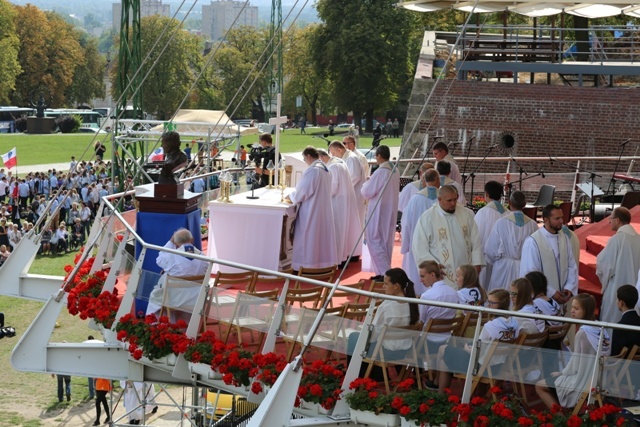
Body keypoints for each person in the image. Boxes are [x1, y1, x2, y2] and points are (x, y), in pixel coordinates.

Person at [535, 294, 611, 410]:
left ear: (585, 311)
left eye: (576, 309)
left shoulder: (583, 332)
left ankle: (560, 419)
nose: (572, 311)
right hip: (598, 380)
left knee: (539, 386)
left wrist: (562, 373)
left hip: (582, 381)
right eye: (572, 307)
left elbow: (576, 363)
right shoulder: (601, 329)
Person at [436, 289, 519, 393]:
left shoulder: (491, 326)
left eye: (492, 303)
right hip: (500, 365)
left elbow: (477, 352)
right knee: (444, 362)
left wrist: (467, 348)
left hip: (482, 367)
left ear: (501, 304)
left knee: (443, 349)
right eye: (488, 302)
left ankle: (436, 386)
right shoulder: (514, 323)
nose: (488, 305)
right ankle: (439, 389)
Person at [346, 268, 419, 381]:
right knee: (363, 342)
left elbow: (373, 336)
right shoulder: (414, 303)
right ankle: (373, 376)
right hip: (405, 350)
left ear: (396, 286)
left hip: (386, 352)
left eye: (386, 283)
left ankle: (355, 378)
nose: (383, 287)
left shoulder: (386, 307)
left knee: (354, 338)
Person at [412, 185, 484, 288]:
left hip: (465, 272)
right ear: (439, 199)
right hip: (442, 274)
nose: (453, 203)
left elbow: (476, 241)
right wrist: (433, 268)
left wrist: (477, 263)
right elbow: (419, 247)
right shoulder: (428, 218)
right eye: (449, 200)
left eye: (455, 199)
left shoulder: (466, 214)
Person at [286, 146, 337, 271]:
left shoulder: (313, 170)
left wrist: (291, 196)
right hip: (322, 209)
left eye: (304, 159)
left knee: (308, 238)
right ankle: (321, 264)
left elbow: (302, 192)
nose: (305, 161)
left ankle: (307, 266)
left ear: (309, 156)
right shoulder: (325, 169)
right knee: (319, 238)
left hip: (311, 210)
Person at [520, 204, 578, 305]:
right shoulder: (533, 241)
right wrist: (551, 292)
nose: (561, 221)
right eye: (557, 218)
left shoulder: (564, 238)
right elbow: (531, 273)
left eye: (562, 217)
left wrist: (569, 287)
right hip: (543, 299)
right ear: (546, 220)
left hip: (563, 296)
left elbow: (571, 266)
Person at [146, 229, 209, 316]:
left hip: (173, 300)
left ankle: (156, 325)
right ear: (192, 240)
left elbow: (159, 258)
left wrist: (170, 242)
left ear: (175, 243)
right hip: (196, 301)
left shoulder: (171, 257)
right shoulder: (204, 259)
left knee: (155, 297)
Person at [485, 191, 538, 291]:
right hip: (524, 267)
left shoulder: (501, 222)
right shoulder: (533, 224)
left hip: (503, 267)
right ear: (524, 205)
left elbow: (490, 249)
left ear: (509, 203)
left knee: (500, 298)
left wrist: (495, 261)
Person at [361, 145, 399, 280]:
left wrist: (366, 184)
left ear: (379, 156)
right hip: (390, 209)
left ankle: (385, 273)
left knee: (375, 240)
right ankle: (383, 272)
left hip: (378, 210)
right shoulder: (395, 170)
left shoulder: (381, 171)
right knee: (385, 241)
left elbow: (367, 192)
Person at [596, 207, 640, 324]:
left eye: (611, 218)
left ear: (618, 220)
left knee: (612, 323)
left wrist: (604, 283)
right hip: (634, 289)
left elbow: (604, 265)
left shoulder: (616, 239)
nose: (609, 221)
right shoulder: (638, 238)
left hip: (616, 289)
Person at [318, 148, 362, 265]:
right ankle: (349, 253)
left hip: (337, 201)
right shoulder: (340, 161)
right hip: (345, 199)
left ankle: (339, 257)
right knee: (347, 228)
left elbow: (332, 187)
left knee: (338, 229)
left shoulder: (333, 167)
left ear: (321, 158)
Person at [401, 169, 440, 293]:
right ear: (438, 180)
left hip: (417, 241)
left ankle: (418, 296)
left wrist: (405, 245)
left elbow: (406, 223)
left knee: (416, 270)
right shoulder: (444, 198)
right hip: (439, 243)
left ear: (424, 180)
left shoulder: (415, 199)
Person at [418, 260, 458, 353]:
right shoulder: (454, 293)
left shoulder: (426, 296)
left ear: (432, 275)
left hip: (427, 343)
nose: (420, 280)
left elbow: (422, 320)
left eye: (422, 276)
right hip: (446, 341)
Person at [332, 139, 366, 236]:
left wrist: (342, 188)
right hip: (351, 194)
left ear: (339, 150)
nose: (333, 156)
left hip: (355, 195)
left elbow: (355, 176)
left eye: (334, 153)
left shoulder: (351, 158)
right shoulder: (347, 158)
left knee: (355, 222)